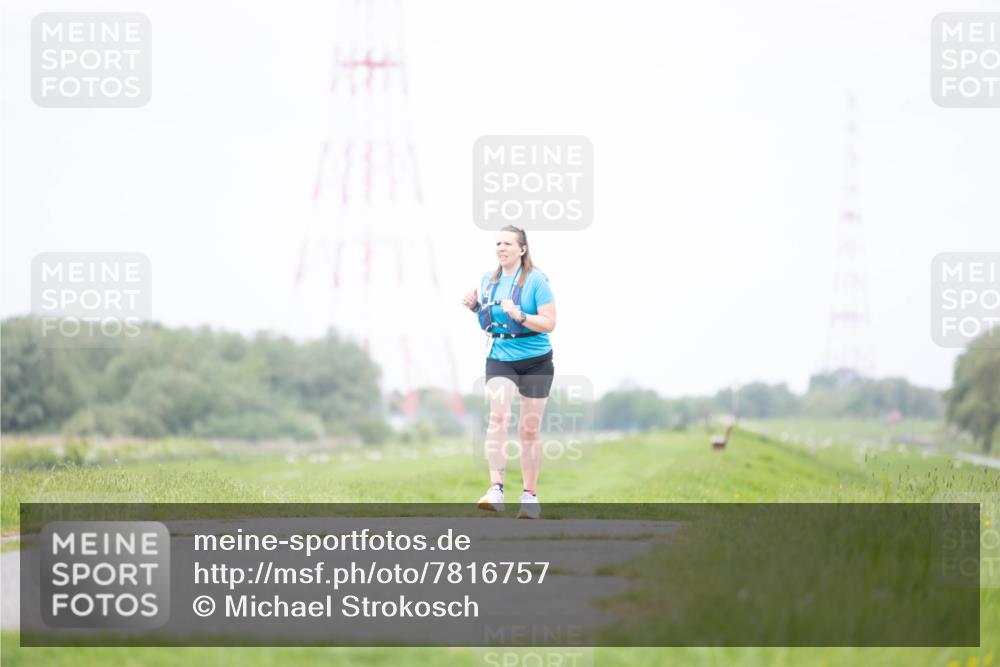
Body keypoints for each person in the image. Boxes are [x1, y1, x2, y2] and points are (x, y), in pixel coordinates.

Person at [461, 225, 556, 519]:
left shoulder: (537, 280)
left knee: (528, 429)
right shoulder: (487, 280)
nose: (501, 248)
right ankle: (496, 490)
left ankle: (529, 497)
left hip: (536, 360)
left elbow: (549, 323)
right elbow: (488, 318)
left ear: (522, 249)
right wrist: (475, 306)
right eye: (498, 243)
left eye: (508, 244)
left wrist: (521, 315)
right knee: (498, 417)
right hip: (500, 356)